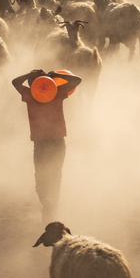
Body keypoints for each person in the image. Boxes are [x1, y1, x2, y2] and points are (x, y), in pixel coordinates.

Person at [12, 69, 83, 222]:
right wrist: (56, 76)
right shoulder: (56, 93)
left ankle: (46, 201)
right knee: (56, 175)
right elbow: (77, 80)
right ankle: (53, 207)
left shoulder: (30, 95)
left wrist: (29, 75)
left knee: (41, 177)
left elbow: (15, 82)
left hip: (40, 143)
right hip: (58, 141)